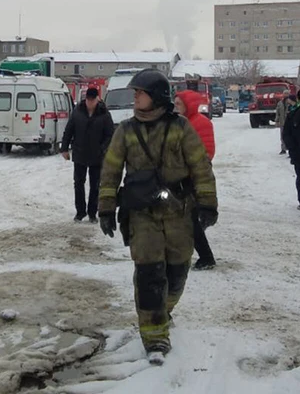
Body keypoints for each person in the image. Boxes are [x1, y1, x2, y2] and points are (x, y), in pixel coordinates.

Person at [98, 69, 218, 364]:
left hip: (179, 210)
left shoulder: (181, 128)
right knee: (150, 273)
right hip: (141, 214)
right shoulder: (125, 130)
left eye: (140, 92)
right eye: (135, 92)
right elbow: (111, 171)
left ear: (157, 97)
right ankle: (154, 340)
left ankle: (163, 312)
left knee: (177, 272)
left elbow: (201, 167)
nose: (135, 97)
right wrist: (105, 208)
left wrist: (208, 205)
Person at [174, 91, 217, 270]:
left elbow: (207, 151)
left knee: (191, 218)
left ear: (188, 105)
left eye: (179, 103)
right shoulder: (178, 123)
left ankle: (206, 257)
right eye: (174, 102)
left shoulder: (201, 123)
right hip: (180, 176)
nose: (175, 106)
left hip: (195, 177)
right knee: (184, 217)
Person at [61, 87, 115, 222]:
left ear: (97, 99)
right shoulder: (77, 112)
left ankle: (92, 213)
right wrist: (64, 148)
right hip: (80, 153)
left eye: (92, 100)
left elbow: (110, 135)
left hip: (97, 156)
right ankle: (80, 212)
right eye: (88, 100)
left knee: (95, 185)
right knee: (78, 183)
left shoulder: (104, 114)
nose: (90, 103)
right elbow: (69, 130)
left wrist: (103, 148)